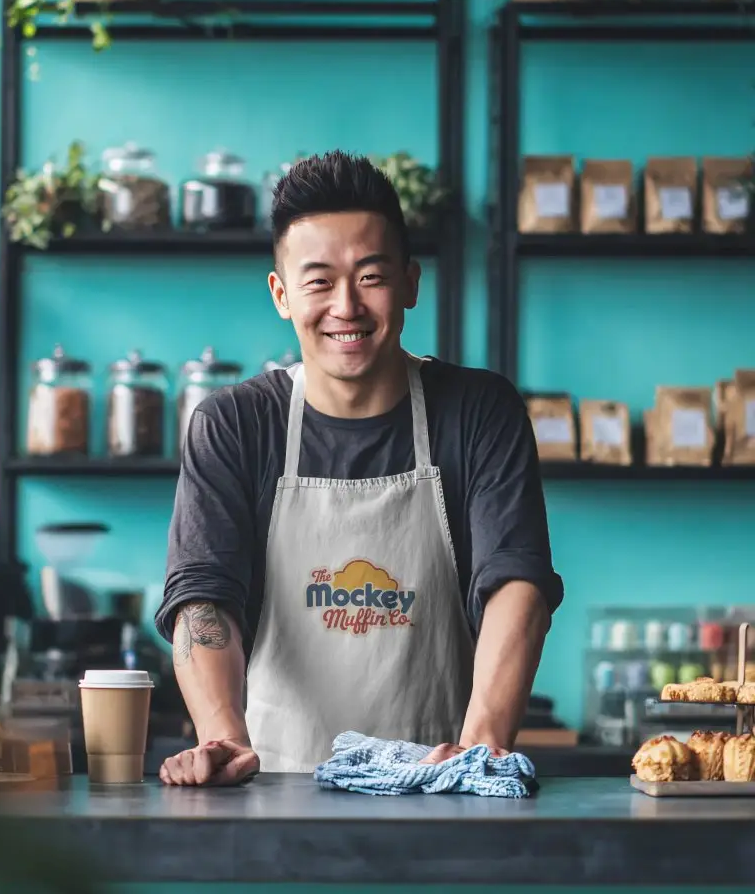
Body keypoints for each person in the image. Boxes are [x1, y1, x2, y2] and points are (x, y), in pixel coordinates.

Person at [155, 150, 563, 785]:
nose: (345, 306)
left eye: (370, 276)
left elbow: (516, 581)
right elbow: (204, 600)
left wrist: (480, 745)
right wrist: (222, 737)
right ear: (281, 294)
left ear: (410, 282)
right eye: (318, 281)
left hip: (442, 787)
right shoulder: (235, 425)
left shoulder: (478, 412)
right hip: (274, 789)